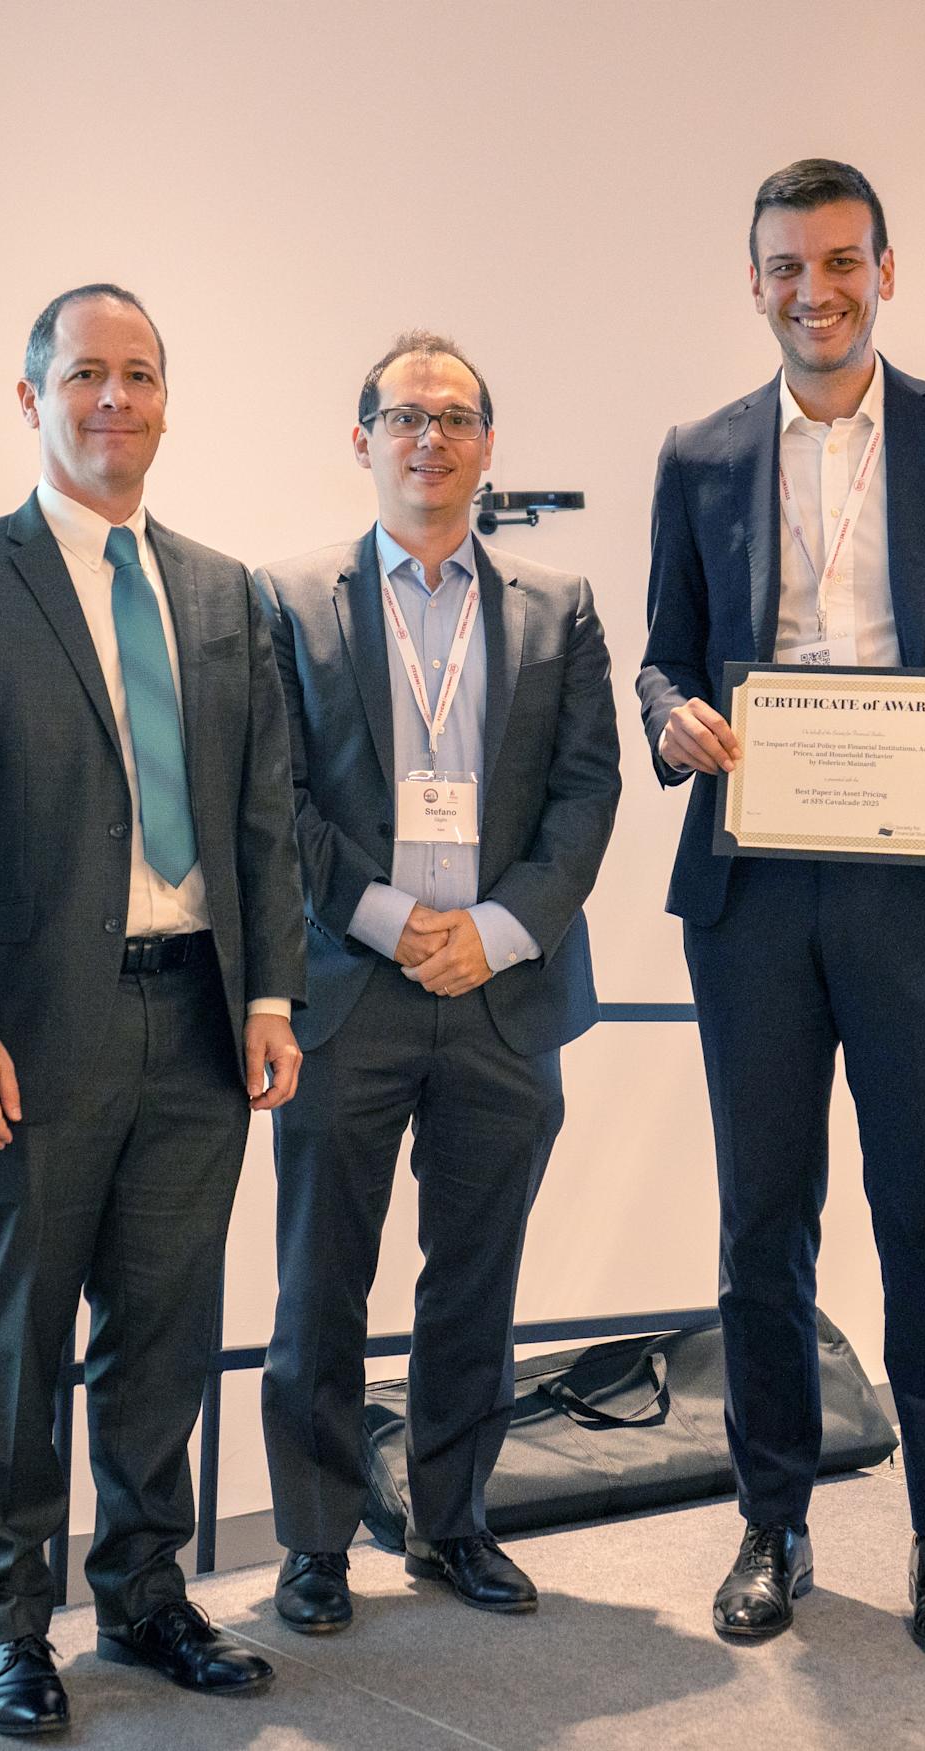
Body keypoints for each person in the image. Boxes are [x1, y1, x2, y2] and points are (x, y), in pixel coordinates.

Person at [635, 159, 925, 1659]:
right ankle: (775, 1526)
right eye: (783, 267)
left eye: (839, 262)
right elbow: (662, 659)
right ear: (751, 280)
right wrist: (673, 718)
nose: (811, 292)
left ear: (889, 268)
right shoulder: (699, 456)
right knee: (763, 1224)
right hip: (755, 890)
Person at [0, 283, 309, 1737]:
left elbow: (263, 814)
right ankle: (5, 1626)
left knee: (163, 1335)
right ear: (31, 400)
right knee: (15, 1340)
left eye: (139, 376)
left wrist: (272, 994)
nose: (115, 400)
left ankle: (146, 1592)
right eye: (85, 375)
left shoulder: (222, 593)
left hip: (202, 1022)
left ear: (166, 399)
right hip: (40, 1027)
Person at [252, 334, 620, 1632]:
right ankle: (314, 1543)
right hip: (352, 988)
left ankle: (454, 1523)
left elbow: (588, 794)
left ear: (487, 443)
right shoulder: (288, 599)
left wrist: (500, 930)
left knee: (476, 1282)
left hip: (503, 997)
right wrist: (396, 919)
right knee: (322, 1283)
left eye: (455, 417)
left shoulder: (557, 607)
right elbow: (278, 799)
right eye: (403, 416)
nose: (430, 439)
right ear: (362, 440)